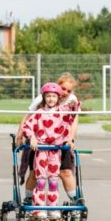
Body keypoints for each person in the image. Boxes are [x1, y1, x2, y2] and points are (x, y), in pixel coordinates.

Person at [16, 73, 81, 203]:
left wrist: (70, 139)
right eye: (63, 88)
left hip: (60, 140)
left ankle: (75, 199)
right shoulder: (44, 98)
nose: (65, 92)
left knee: (65, 172)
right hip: (39, 139)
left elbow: (73, 121)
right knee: (36, 173)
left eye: (69, 90)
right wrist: (19, 136)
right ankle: (29, 198)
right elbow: (28, 117)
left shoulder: (71, 101)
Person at [20, 82, 73, 221]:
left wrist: (74, 103)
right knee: (41, 181)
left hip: (55, 151)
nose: (51, 99)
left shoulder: (62, 112)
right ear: (44, 97)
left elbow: (72, 117)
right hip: (41, 150)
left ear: (58, 98)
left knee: (54, 180)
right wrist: (32, 137)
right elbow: (27, 126)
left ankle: (53, 208)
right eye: (48, 96)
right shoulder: (39, 113)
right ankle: (39, 208)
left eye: (54, 96)